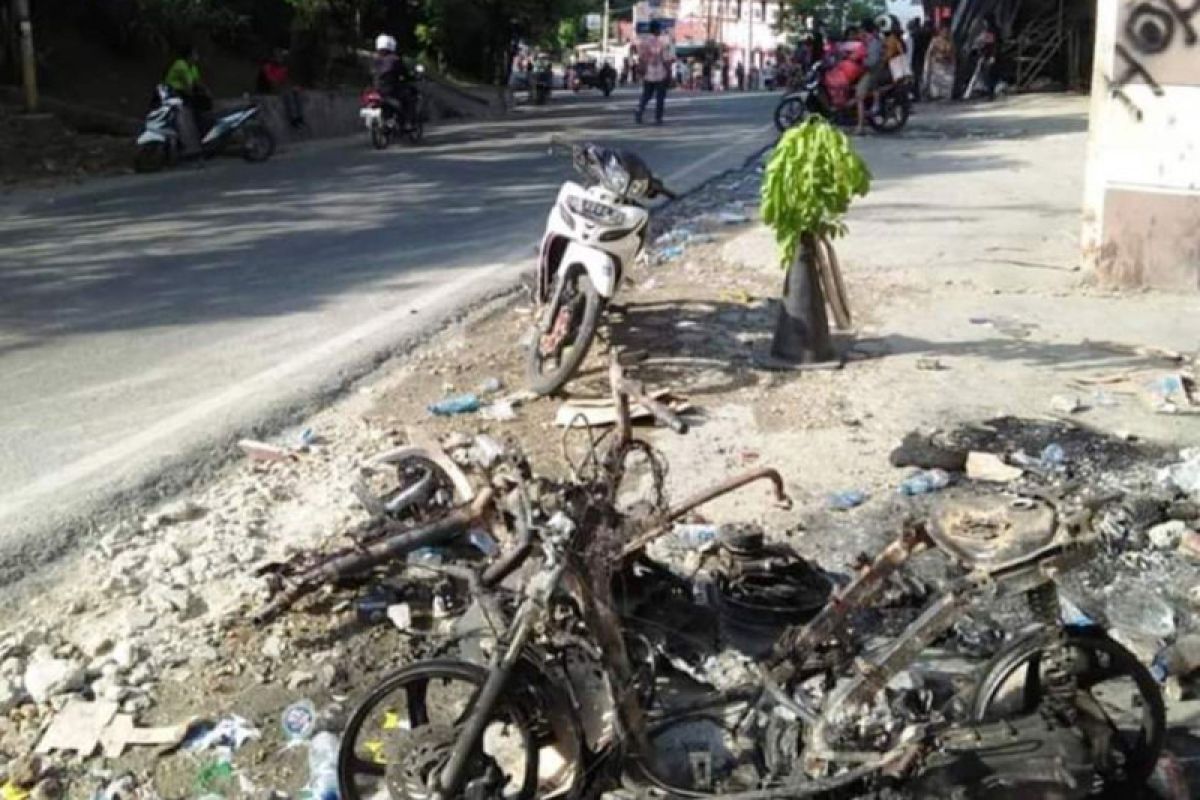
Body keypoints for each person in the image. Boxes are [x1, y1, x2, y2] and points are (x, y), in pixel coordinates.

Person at [372, 33, 417, 130]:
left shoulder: (375, 59)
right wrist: (411, 77)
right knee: (408, 99)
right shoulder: (395, 59)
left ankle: (393, 120)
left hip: (377, 89)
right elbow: (404, 73)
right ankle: (408, 123)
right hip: (392, 90)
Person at [635, 20, 673, 124]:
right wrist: (669, 72)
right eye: (659, 29)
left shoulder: (644, 42)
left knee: (646, 95)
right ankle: (658, 117)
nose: (660, 31)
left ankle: (639, 110)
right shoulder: (663, 42)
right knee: (660, 97)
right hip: (661, 73)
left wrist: (641, 70)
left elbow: (641, 58)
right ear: (656, 30)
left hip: (648, 73)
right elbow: (666, 59)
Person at [256, 48, 305, 129]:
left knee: (296, 93)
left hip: (278, 86)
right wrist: (281, 85)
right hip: (268, 88)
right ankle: (293, 119)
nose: (280, 60)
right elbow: (270, 79)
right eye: (278, 57)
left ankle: (300, 117)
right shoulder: (268, 66)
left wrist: (294, 87)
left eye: (281, 58)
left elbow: (285, 79)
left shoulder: (282, 67)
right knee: (288, 95)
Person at [853, 20, 883, 135]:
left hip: (872, 72)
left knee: (859, 96)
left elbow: (872, 62)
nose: (860, 32)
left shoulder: (873, 43)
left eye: (861, 29)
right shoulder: (866, 41)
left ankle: (860, 126)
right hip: (866, 71)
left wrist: (860, 60)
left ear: (865, 30)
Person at [967, 14, 999, 99]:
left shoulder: (991, 31)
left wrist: (992, 55)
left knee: (988, 75)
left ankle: (989, 93)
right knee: (986, 75)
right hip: (987, 55)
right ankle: (988, 92)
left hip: (988, 56)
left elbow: (992, 45)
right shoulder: (990, 30)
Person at [924, 22, 955, 100]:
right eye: (944, 31)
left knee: (947, 83)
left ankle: (945, 97)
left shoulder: (950, 41)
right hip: (937, 65)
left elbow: (952, 53)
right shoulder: (935, 41)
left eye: (947, 31)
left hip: (947, 65)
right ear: (940, 31)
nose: (945, 33)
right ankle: (936, 96)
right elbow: (930, 52)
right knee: (937, 83)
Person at [907, 17, 933, 100]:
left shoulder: (914, 35)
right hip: (924, 56)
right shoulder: (928, 34)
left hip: (916, 58)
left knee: (916, 77)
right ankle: (923, 94)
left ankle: (917, 94)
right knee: (923, 76)